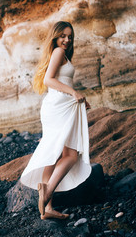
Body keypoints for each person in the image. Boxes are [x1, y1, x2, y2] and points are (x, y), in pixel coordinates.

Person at [20, 21, 92, 220]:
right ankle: (48, 191)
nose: (67, 40)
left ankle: (48, 208)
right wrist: (74, 93)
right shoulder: (59, 53)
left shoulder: (61, 54)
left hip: (61, 105)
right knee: (70, 154)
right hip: (58, 106)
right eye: (63, 36)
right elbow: (49, 80)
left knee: (53, 154)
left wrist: (78, 100)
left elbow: (60, 81)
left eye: (70, 36)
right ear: (55, 36)